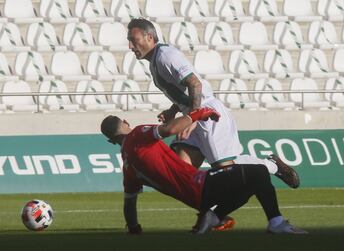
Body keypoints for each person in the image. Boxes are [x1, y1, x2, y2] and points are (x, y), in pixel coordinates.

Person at [126, 18, 299, 190]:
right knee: (180, 171)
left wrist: (192, 118)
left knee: (226, 171)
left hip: (207, 115)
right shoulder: (156, 61)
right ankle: (209, 210)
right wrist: (173, 110)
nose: (130, 46)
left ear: (149, 37)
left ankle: (270, 165)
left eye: (134, 40)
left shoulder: (165, 56)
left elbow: (195, 84)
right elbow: (185, 91)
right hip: (194, 116)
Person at [100, 107, 307, 235]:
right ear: (126, 122)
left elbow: (129, 203)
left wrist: (134, 228)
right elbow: (170, 129)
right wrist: (198, 114)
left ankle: (213, 217)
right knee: (258, 174)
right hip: (201, 183)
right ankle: (276, 223)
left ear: (110, 141)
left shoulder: (127, 166)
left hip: (196, 200)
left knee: (249, 186)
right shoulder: (137, 134)